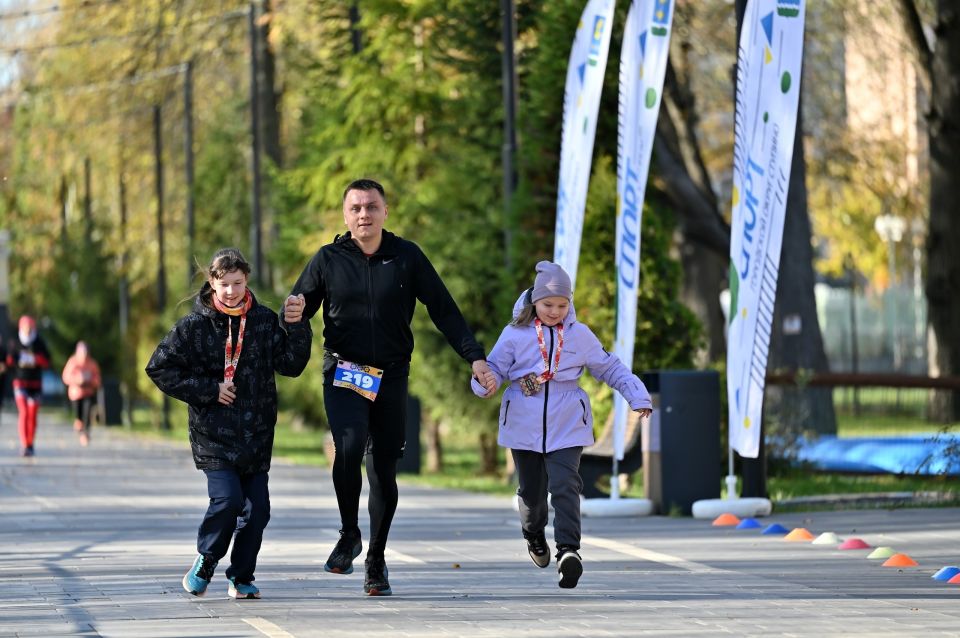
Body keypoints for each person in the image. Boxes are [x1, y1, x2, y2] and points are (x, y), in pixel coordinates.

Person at [284, 178, 496, 597]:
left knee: (382, 471)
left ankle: (375, 559)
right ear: (346, 215)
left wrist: (475, 356)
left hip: (392, 377)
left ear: (385, 211)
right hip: (344, 372)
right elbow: (298, 308)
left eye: (371, 206)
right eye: (356, 208)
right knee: (347, 447)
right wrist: (289, 315)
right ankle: (349, 534)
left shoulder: (407, 256)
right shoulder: (328, 259)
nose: (364, 214)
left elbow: (444, 310)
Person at [471, 261, 653, 589]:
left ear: (570, 304)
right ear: (533, 303)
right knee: (532, 494)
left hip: (568, 420)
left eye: (562, 305)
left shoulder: (579, 335)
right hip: (523, 421)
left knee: (566, 485)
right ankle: (534, 534)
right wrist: (485, 383)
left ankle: (569, 551)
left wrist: (637, 395)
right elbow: (494, 368)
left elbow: (610, 368)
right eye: (547, 305)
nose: (555, 311)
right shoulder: (514, 334)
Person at [146, 248, 312, 600]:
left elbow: (291, 365)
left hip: (256, 436)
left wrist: (297, 325)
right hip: (214, 436)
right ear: (212, 283)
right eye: (224, 284)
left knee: (258, 512)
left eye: (237, 283)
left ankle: (241, 575)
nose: (232, 291)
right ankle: (207, 559)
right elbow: (159, 367)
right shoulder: (193, 327)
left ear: (247, 280)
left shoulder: (265, 321)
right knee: (228, 501)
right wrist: (209, 390)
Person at [6, 315, 51, 457]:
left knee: (32, 415)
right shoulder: (15, 341)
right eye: (25, 327)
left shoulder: (39, 342)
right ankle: (25, 444)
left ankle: (31, 443)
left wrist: (36, 359)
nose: (28, 330)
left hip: (35, 384)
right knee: (24, 412)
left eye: (30, 327)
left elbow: (47, 362)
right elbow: (9, 360)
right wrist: (17, 359)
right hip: (20, 382)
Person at [61, 341, 102, 447]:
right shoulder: (73, 362)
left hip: (88, 392)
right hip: (76, 393)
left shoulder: (92, 363)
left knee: (87, 413)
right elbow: (66, 377)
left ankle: (85, 433)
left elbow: (97, 378)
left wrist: (92, 381)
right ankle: (79, 426)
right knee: (79, 415)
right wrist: (77, 380)